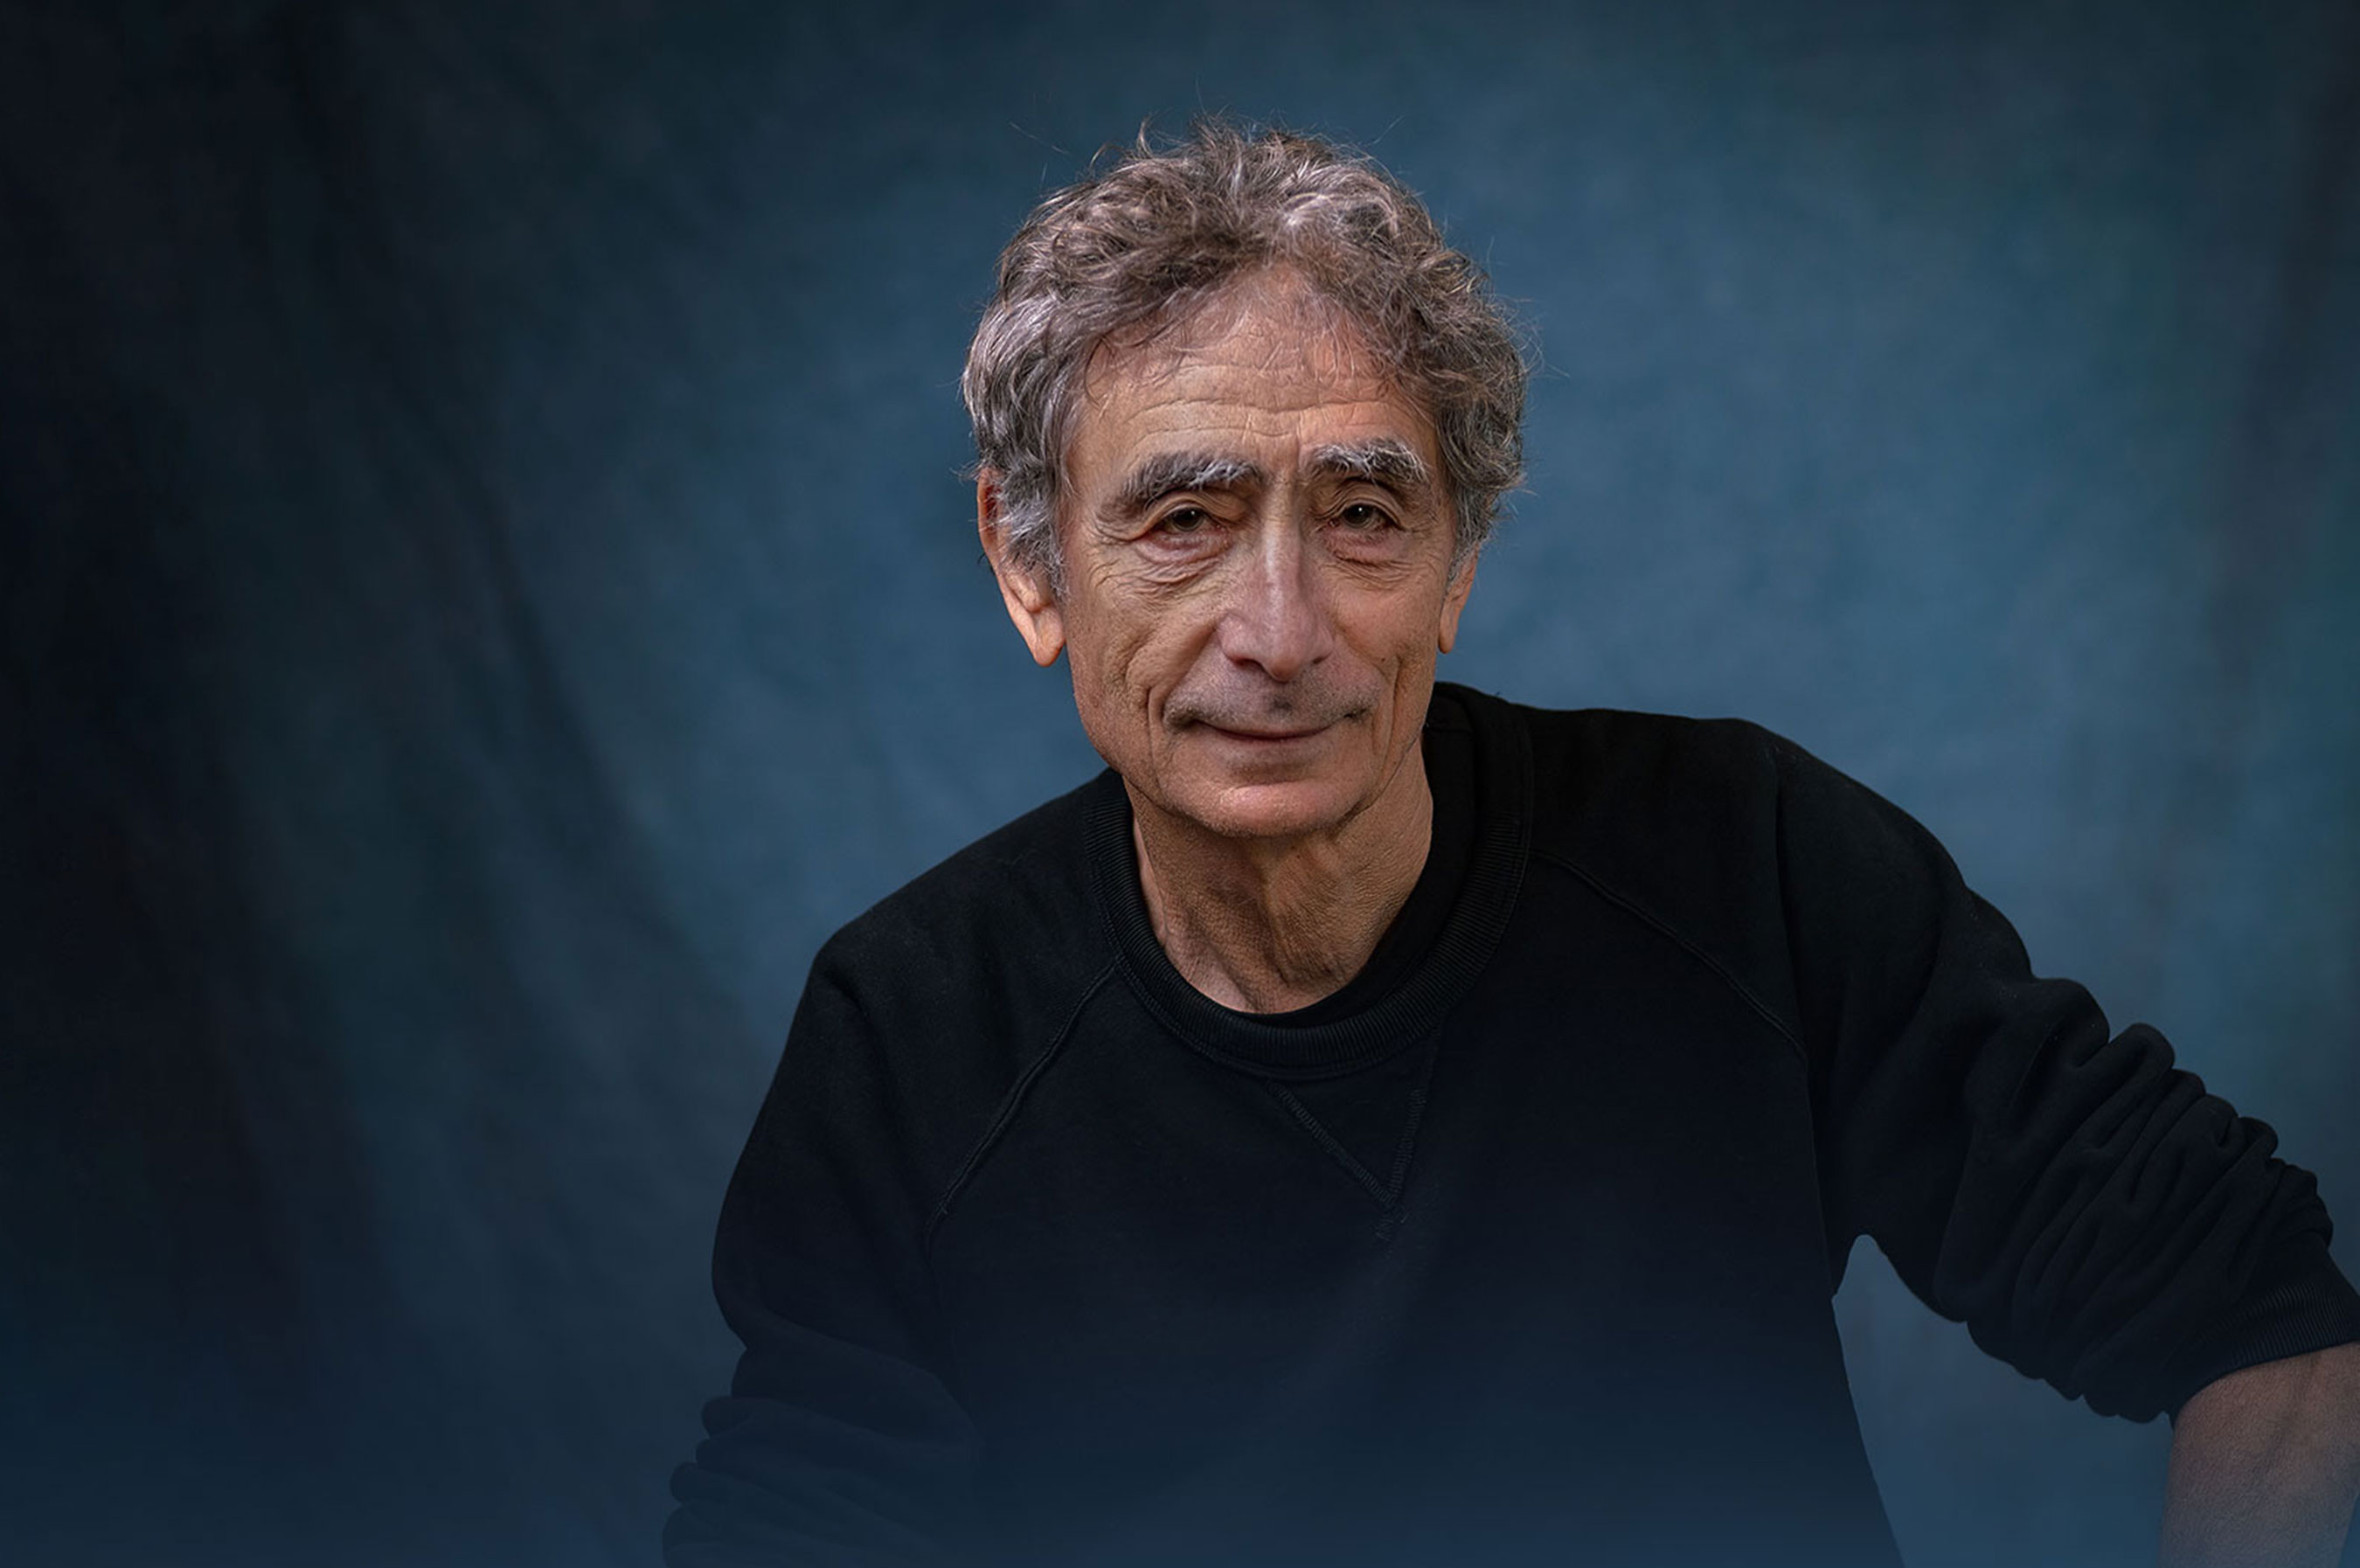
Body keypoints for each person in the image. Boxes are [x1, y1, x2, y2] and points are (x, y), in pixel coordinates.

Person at [665, 122, 2360, 1568]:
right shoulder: (913, 1033)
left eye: (1363, 514)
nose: (1280, 630)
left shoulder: (1748, 871)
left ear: (1458, 566)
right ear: (1030, 566)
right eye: (1184, 518)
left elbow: (2273, 1327)